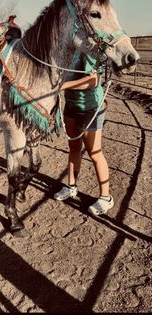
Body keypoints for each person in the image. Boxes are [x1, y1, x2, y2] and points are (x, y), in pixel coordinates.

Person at [54, 50, 114, 216]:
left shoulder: (87, 52)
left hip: (90, 108)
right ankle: (71, 186)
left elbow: (93, 81)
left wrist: (63, 86)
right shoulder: (64, 52)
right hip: (71, 106)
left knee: (95, 153)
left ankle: (106, 197)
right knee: (73, 148)